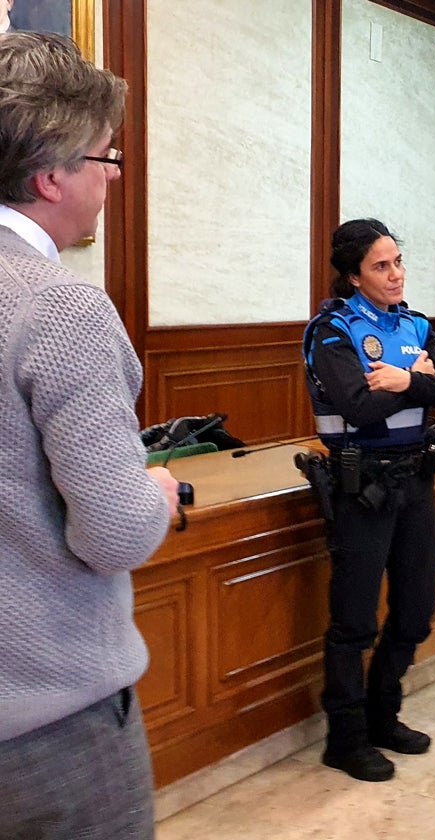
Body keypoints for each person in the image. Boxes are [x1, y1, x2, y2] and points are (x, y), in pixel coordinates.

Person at [0, 33, 180, 838]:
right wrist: (156, 488)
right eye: (106, 158)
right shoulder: (58, 307)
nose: (112, 180)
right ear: (51, 175)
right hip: (46, 723)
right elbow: (111, 531)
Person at [302, 218, 435, 782]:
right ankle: (344, 739)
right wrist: (411, 381)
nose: (395, 275)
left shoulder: (415, 323)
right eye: (380, 266)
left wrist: (401, 381)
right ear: (352, 275)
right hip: (361, 486)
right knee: (353, 623)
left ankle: (382, 715)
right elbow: (356, 408)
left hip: (416, 481)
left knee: (417, 610)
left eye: (397, 261)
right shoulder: (332, 331)